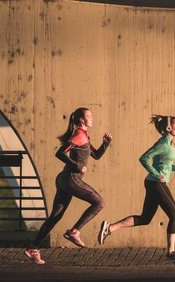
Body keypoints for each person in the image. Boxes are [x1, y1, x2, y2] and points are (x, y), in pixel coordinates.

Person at [25, 107, 112, 264]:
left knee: (55, 216)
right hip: (71, 178)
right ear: (81, 120)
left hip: (64, 179)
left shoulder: (84, 135)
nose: (92, 118)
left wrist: (105, 143)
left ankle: (33, 248)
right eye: (89, 116)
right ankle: (74, 232)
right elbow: (60, 153)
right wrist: (77, 166)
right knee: (99, 202)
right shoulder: (79, 135)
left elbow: (96, 155)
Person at [98, 115, 175, 262]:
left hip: (154, 183)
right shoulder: (163, 144)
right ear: (168, 128)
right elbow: (144, 158)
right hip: (156, 183)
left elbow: (164, 164)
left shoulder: (169, 144)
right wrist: (156, 174)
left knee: (145, 218)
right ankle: (171, 253)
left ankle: (110, 228)